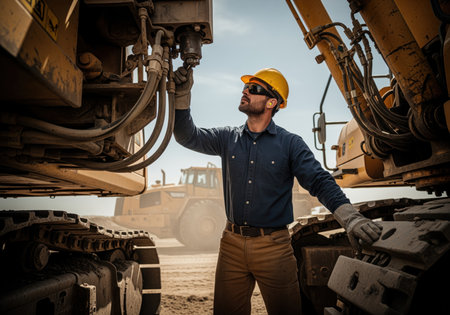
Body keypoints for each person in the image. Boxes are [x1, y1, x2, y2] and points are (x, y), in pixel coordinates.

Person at [172, 66, 382, 315]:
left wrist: (351, 218)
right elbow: (187, 136)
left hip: (274, 248)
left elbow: (319, 181)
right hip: (231, 245)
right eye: (245, 87)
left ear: (272, 102)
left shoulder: (290, 144)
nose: (245, 91)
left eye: (254, 89)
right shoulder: (228, 138)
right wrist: (182, 96)